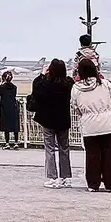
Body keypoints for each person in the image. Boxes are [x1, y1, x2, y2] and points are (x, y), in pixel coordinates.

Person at [70, 63, 111, 191]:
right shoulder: (105, 84)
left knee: (92, 156)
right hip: (108, 124)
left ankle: (93, 184)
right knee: (110, 156)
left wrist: (84, 115)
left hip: (89, 125)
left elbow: (75, 106)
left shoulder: (76, 87)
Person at [29, 58, 72, 186]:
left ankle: (53, 178)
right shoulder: (68, 83)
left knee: (50, 148)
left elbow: (35, 89)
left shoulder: (45, 83)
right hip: (63, 119)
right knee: (64, 148)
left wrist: (42, 73)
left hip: (47, 120)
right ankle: (65, 177)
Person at [0, 71, 20, 148]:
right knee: (15, 126)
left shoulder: (2, 87)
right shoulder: (14, 87)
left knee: (6, 126)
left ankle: (7, 143)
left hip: (4, 108)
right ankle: (16, 142)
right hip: (14, 107)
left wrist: (2, 82)